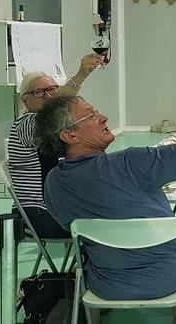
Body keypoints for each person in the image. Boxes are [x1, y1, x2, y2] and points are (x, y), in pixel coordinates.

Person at [34, 55, 176, 323]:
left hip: (104, 285)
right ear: (69, 136)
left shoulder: (53, 183)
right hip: (169, 278)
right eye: (91, 116)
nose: (103, 116)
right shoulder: (131, 163)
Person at [6, 54, 104, 238]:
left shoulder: (54, 124)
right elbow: (54, 111)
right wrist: (80, 75)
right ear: (25, 100)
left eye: (52, 90)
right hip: (37, 212)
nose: (48, 96)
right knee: (104, 225)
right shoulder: (27, 123)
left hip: (57, 204)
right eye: (39, 92)